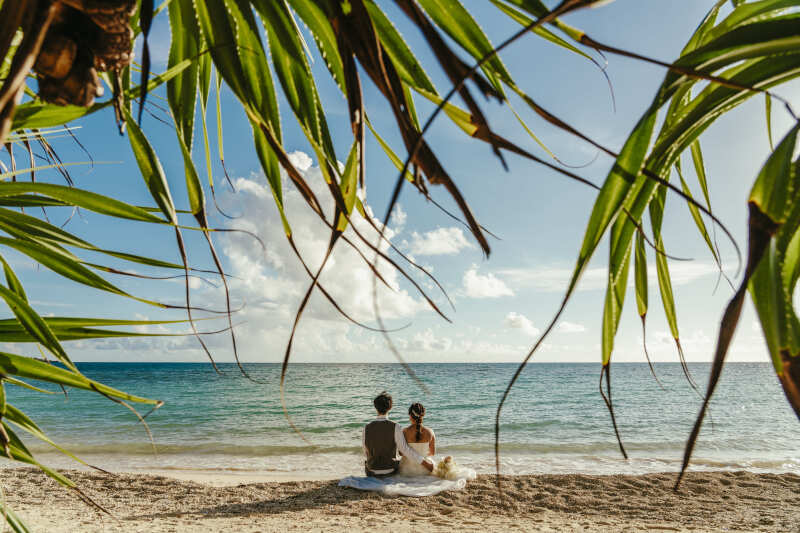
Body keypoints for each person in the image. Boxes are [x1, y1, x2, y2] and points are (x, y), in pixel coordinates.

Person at [362, 392, 434, 477]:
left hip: (372, 471)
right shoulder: (395, 427)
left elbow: (365, 450)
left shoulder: (366, 427)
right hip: (390, 470)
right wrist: (425, 463)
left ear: (375, 407)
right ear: (390, 407)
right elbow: (405, 450)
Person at [397, 402, 437, 477]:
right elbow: (432, 453)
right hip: (424, 470)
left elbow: (401, 453)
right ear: (423, 415)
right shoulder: (430, 432)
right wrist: (422, 454)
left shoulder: (405, 431)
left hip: (406, 471)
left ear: (410, 415)